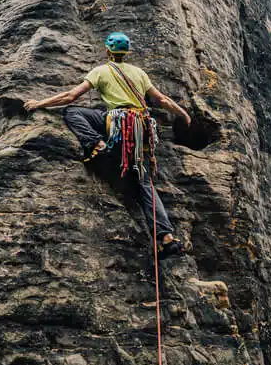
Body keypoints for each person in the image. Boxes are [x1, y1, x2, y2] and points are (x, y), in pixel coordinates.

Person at [24, 32, 191, 257]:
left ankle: (97, 144)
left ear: (107, 51)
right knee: (144, 183)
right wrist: (183, 114)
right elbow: (162, 100)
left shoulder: (102, 71)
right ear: (127, 53)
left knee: (73, 112)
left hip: (118, 123)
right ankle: (166, 237)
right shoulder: (139, 73)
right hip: (141, 131)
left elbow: (71, 96)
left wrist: (39, 103)